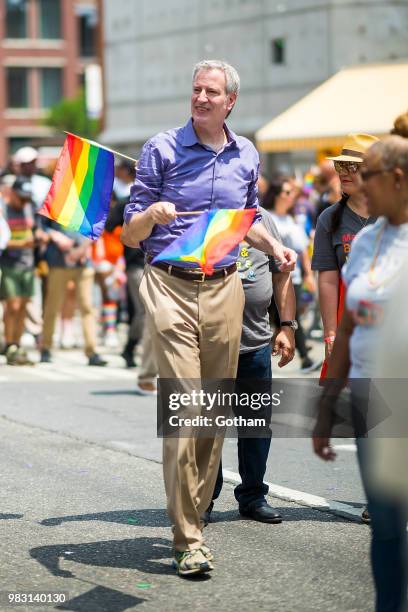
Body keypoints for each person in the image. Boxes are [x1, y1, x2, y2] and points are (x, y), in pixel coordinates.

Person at [122, 59, 296, 576]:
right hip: (169, 284)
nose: (200, 97)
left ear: (230, 101)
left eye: (210, 91)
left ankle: (192, 512)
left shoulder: (246, 154)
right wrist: (152, 215)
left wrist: (276, 246)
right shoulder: (161, 149)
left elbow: (246, 224)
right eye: (195, 89)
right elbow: (129, 233)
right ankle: (187, 536)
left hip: (225, 287)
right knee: (188, 408)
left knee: (214, 413)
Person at [313, 136, 408, 612]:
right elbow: (350, 323)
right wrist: (328, 404)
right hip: (374, 395)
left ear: (396, 179)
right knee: (387, 528)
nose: (356, 182)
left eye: (366, 173)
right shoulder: (365, 238)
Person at [205, 206, 296, 524]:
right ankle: (203, 498)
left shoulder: (264, 219)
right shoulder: (200, 208)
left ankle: (253, 496)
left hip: (255, 343)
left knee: (257, 425)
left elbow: (281, 274)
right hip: (208, 344)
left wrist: (286, 325)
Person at [312, 134, 378, 383]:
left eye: (353, 167)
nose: (344, 173)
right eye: (340, 166)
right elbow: (328, 280)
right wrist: (330, 334)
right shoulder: (329, 219)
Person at [263, 175, 320, 373]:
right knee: (275, 319)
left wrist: (308, 274)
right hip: (269, 278)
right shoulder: (265, 217)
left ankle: (303, 357)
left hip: (291, 277)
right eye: (287, 192)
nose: (291, 196)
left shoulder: (292, 218)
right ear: (276, 195)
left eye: (292, 192)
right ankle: (297, 354)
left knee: (289, 318)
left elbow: (303, 249)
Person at [39, 219, 107, 367]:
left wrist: (81, 249)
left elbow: (97, 227)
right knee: (52, 306)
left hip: (83, 261)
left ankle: (92, 351)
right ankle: (45, 347)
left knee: (87, 307)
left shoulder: (88, 198)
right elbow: (40, 225)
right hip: (58, 261)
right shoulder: (55, 198)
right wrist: (54, 235)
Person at [0, 178, 43, 365]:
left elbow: (36, 229)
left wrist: (40, 235)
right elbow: (2, 241)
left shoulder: (30, 207)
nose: (24, 200)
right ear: (13, 194)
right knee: (12, 306)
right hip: (9, 264)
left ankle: (16, 344)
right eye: (21, 197)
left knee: (23, 307)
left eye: (27, 197)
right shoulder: (3, 211)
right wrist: (21, 244)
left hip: (28, 264)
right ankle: (9, 343)